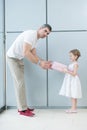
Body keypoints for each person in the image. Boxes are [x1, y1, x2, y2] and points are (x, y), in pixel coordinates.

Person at [6, 24, 52, 117]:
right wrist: (40, 64)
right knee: (20, 83)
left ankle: (24, 106)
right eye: (45, 31)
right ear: (40, 28)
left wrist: (43, 61)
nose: (46, 34)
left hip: (19, 59)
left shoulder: (36, 40)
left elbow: (33, 54)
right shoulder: (31, 35)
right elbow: (26, 52)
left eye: (48, 34)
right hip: (12, 58)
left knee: (21, 83)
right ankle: (22, 110)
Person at [59, 49, 82, 113]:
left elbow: (74, 74)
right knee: (72, 94)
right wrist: (66, 70)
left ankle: (73, 109)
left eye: (71, 56)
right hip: (71, 80)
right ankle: (73, 108)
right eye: (69, 56)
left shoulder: (75, 64)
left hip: (73, 80)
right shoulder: (72, 64)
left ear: (76, 56)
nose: (70, 57)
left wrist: (67, 71)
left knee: (73, 95)